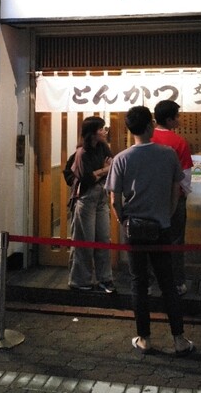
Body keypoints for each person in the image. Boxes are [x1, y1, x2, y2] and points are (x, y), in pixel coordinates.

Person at [105, 106, 194, 356]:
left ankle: (144, 339)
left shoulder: (121, 158)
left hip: (134, 228)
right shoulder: (168, 154)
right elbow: (176, 190)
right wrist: (167, 215)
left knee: (139, 283)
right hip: (161, 227)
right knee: (167, 283)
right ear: (149, 126)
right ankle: (179, 340)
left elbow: (114, 199)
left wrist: (123, 220)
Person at [68, 116, 116, 294]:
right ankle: (80, 280)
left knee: (103, 238)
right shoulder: (82, 152)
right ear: (93, 132)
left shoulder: (103, 147)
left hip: (102, 196)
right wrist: (104, 169)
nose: (105, 131)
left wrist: (100, 172)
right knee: (84, 241)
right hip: (86, 197)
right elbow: (87, 179)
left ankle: (105, 279)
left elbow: (112, 167)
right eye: (101, 128)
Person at [152, 100, 193, 295]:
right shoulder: (179, 142)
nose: (179, 119)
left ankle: (151, 282)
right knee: (175, 240)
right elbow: (185, 176)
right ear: (169, 119)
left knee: (150, 240)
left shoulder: (145, 139)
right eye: (177, 116)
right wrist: (184, 192)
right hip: (175, 198)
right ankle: (176, 282)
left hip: (150, 199)